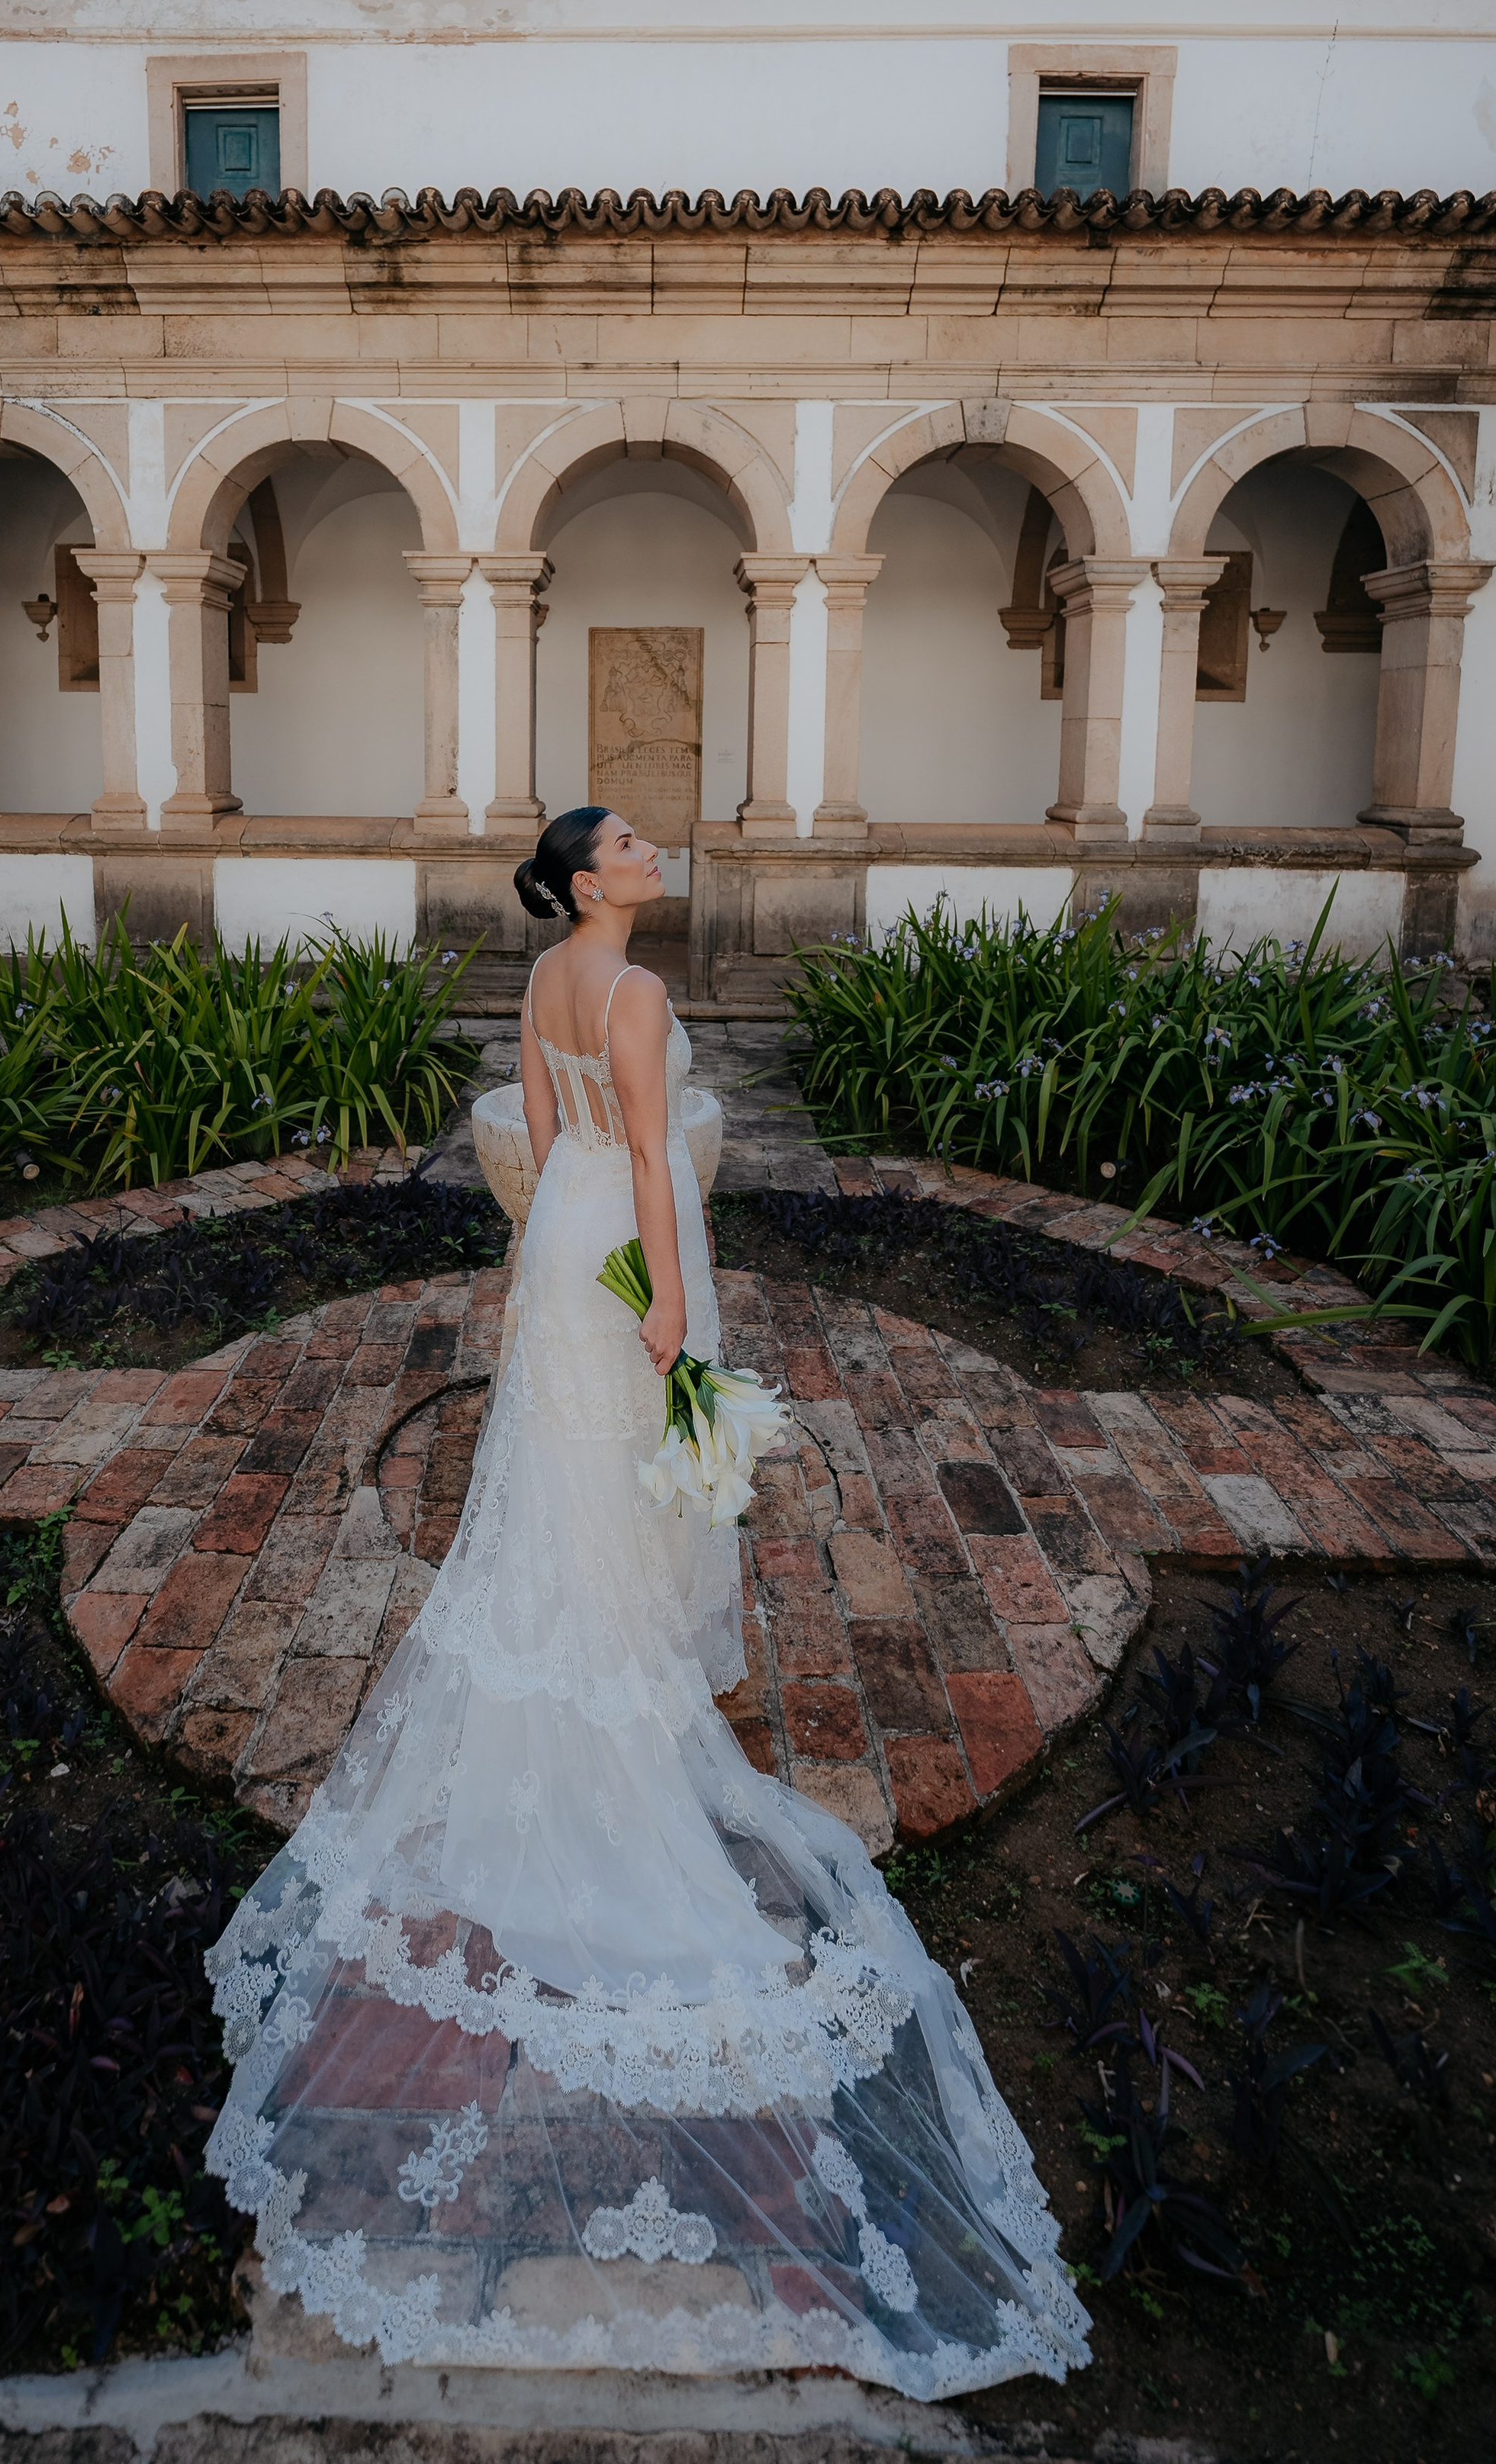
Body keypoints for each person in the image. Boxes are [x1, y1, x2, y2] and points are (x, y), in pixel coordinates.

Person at [204, 808, 1089, 2395]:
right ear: (585, 879)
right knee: (618, 1482)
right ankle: (620, 1693)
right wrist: (670, 1298)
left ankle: (579, 1664)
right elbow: (653, 1165)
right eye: (622, 840)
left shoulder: (548, 976)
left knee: (561, 1482)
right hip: (624, 1241)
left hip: (560, 1237)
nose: (647, 846)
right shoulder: (638, 991)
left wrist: (566, 1262)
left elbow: (550, 1139)